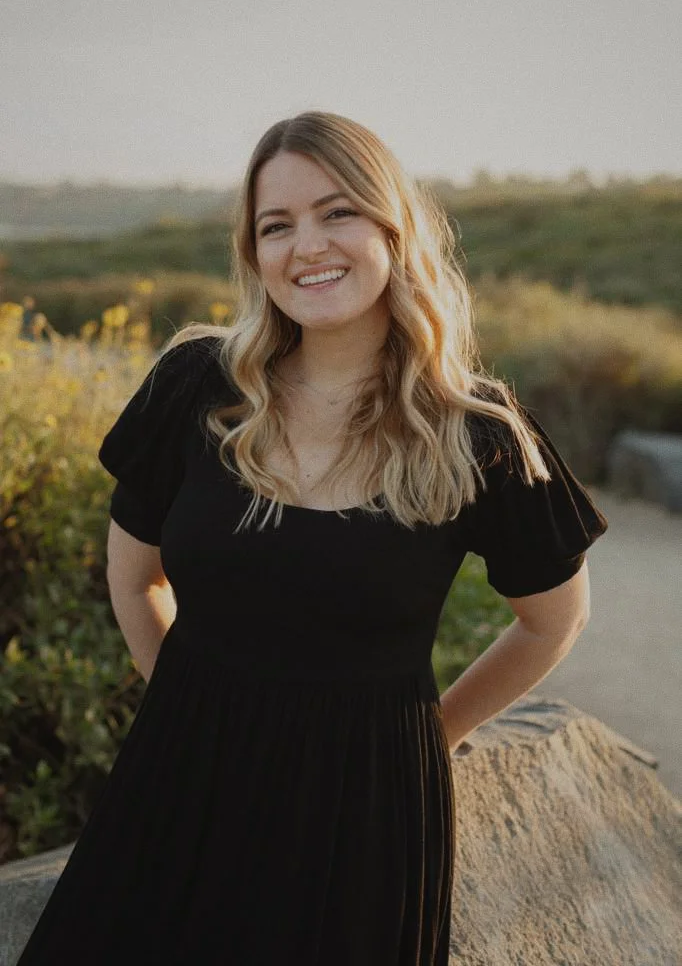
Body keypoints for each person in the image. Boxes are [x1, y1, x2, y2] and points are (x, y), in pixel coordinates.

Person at [16, 110, 608, 965]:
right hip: (177, 792)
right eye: (276, 225)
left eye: (337, 212)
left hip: (365, 823)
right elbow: (132, 573)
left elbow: (554, 620)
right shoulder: (195, 386)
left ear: (392, 228)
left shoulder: (477, 432)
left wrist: (425, 740)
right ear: (253, 254)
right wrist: (188, 709)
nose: (307, 246)